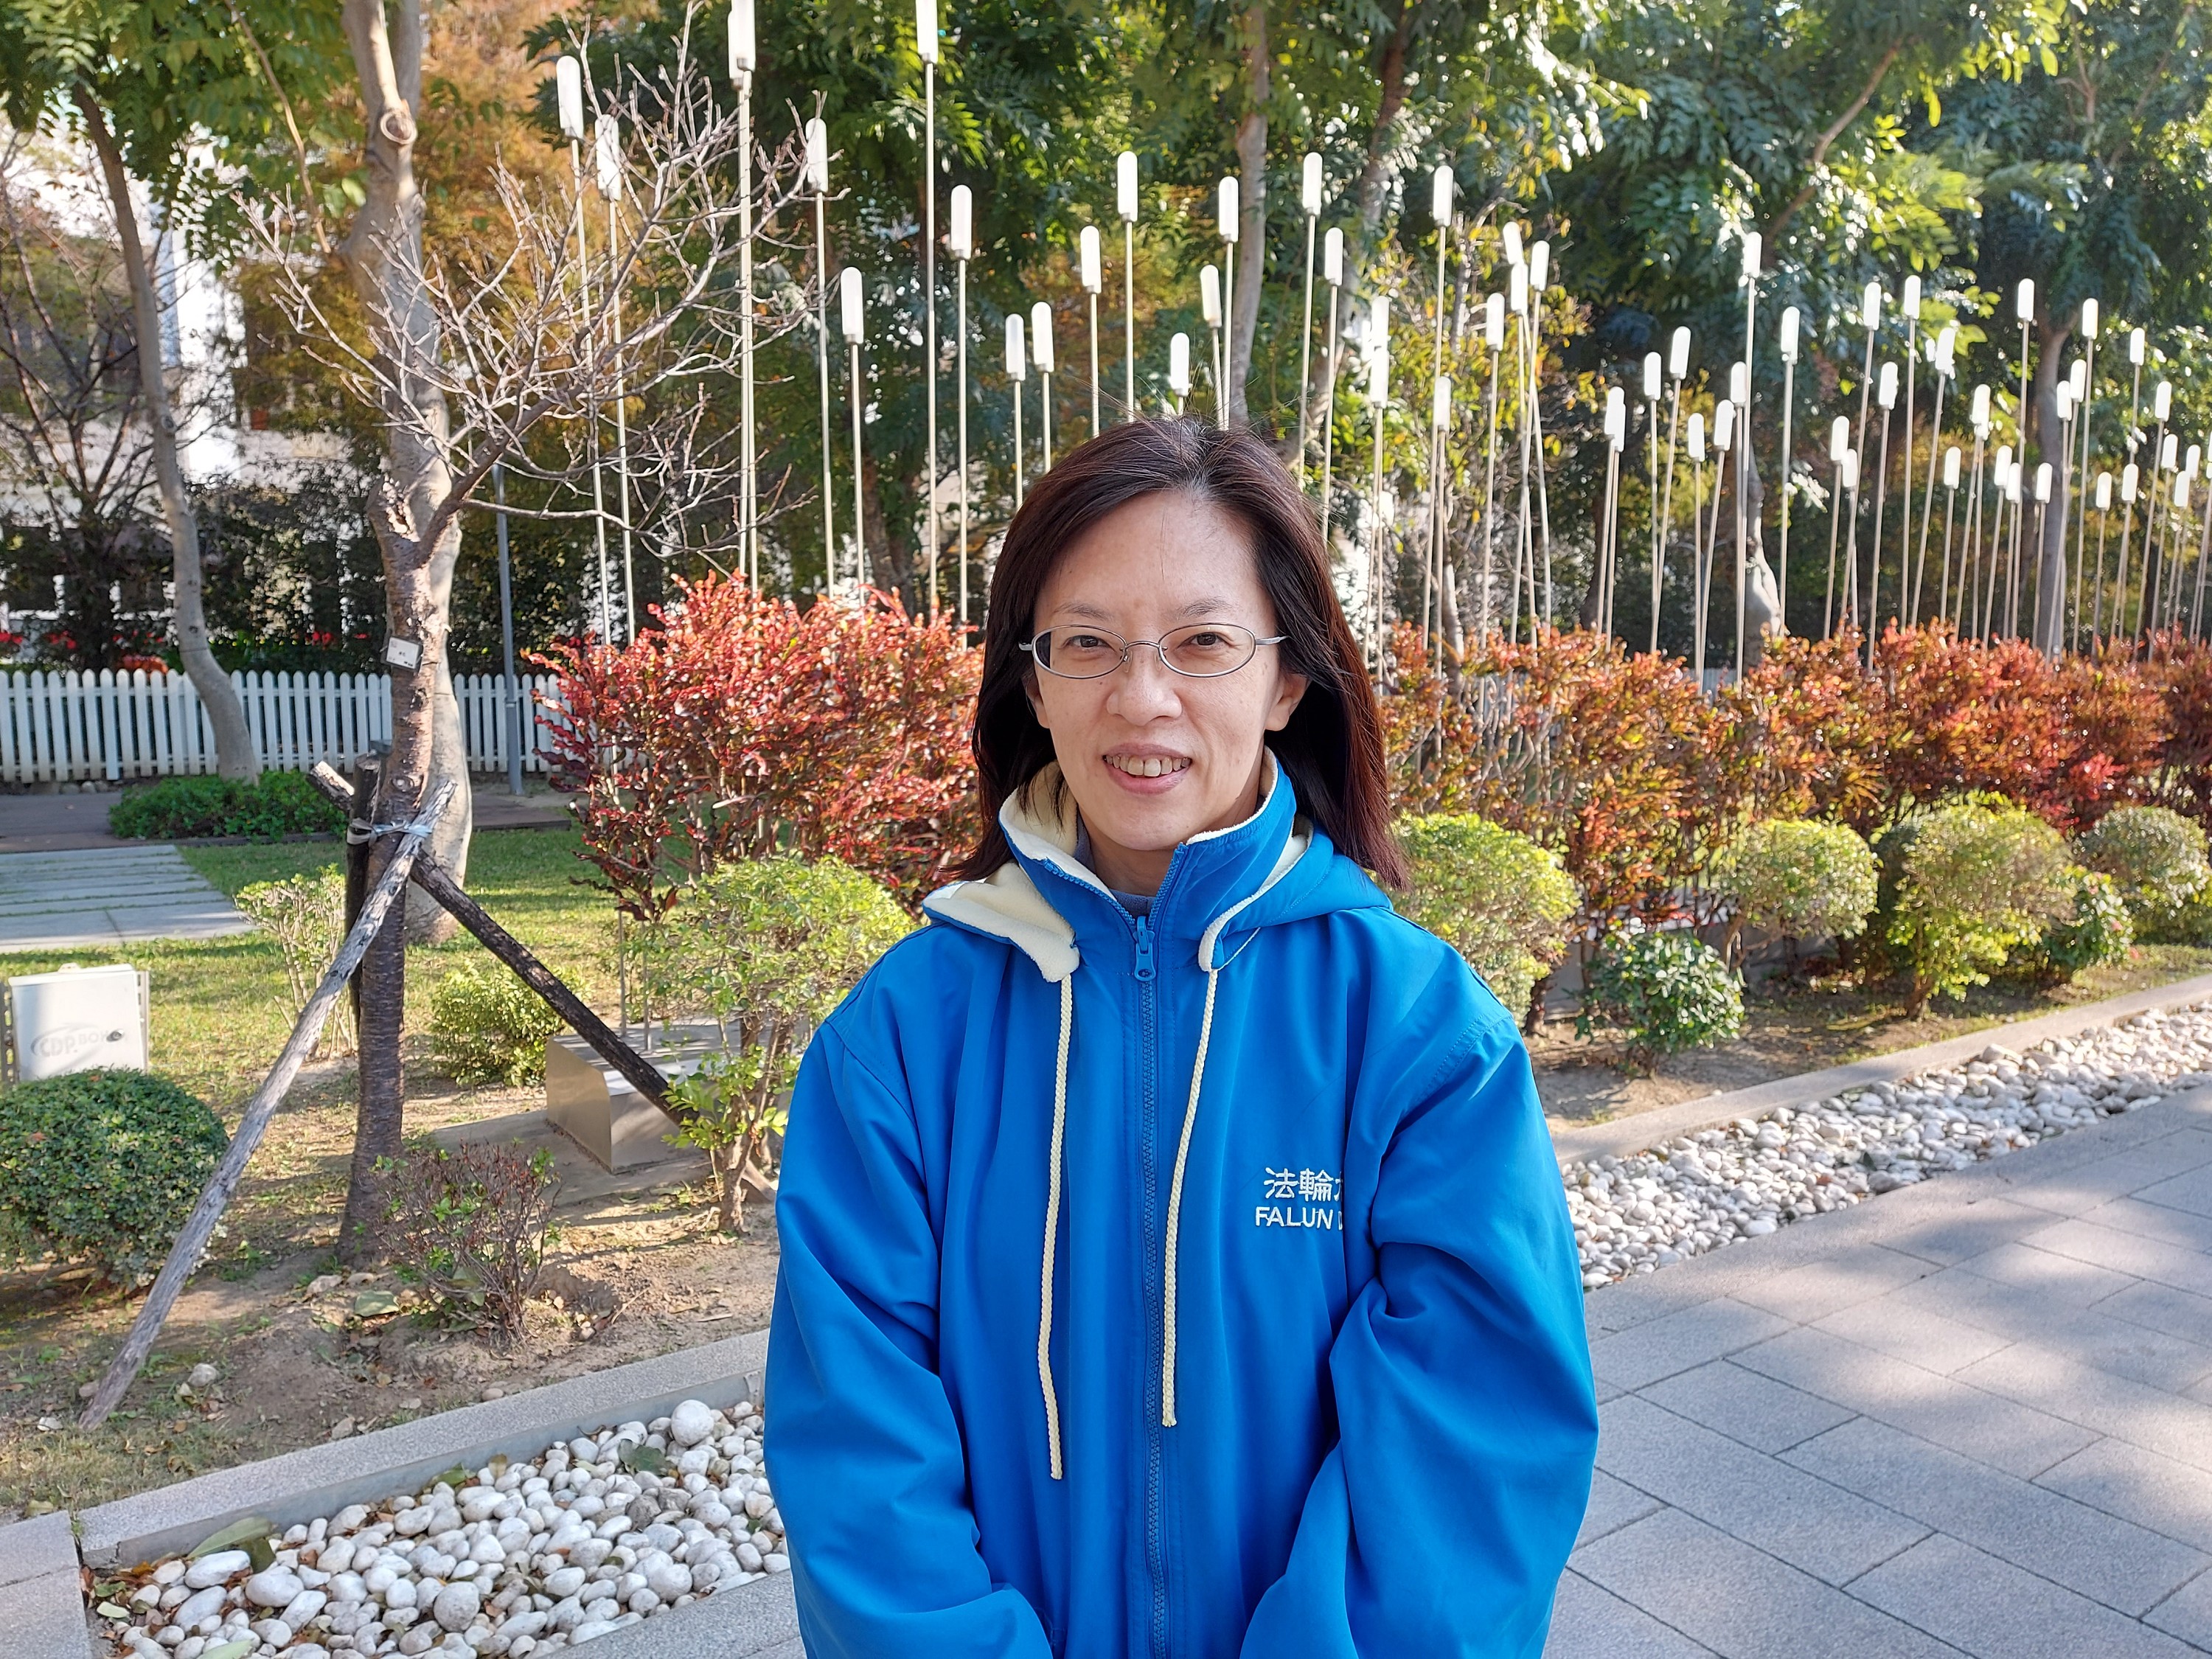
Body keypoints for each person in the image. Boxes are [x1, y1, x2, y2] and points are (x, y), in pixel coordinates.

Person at [767, 419, 1596, 1657]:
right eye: (1087, 642)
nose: (1140, 696)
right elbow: (857, 1450)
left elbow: (1474, 1447)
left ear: (1287, 678)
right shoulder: (897, 1042)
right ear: (1032, 681)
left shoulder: (1417, 1034)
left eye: (1203, 642)